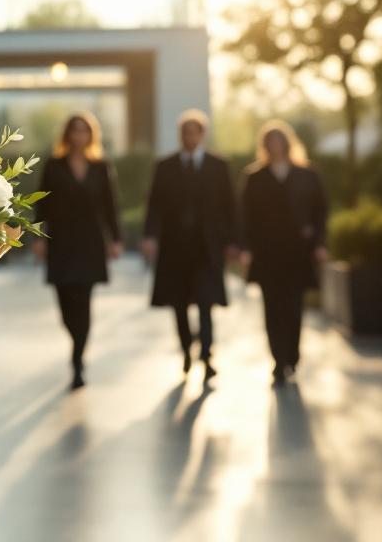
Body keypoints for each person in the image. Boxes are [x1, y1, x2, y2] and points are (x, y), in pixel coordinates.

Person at [141, 109, 237, 379]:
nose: (189, 137)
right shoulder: (165, 166)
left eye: (194, 132)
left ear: (202, 134)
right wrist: (150, 236)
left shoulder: (218, 166)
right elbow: (155, 205)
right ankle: (185, 348)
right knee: (179, 302)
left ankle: (206, 355)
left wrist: (232, 242)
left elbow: (231, 206)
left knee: (206, 302)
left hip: (207, 248)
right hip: (175, 248)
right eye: (185, 132)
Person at [32, 113, 122, 390]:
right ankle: (77, 343)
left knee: (83, 302)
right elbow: (41, 204)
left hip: (91, 243)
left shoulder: (100, 166)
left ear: (91, 135)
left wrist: (115, 239)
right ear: (68, 135)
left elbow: (110, 205)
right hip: (61, 241)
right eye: (75, 130)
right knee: (65, 305)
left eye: (84, 131)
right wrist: (38, 237)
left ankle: (78, 361)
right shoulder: (53, 165)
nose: (79, 136)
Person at [240, 120, 329, 386]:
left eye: (279, 141)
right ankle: (278, 359)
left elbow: (320, 211)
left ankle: (292, 353)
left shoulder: (307, 175)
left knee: (294, 305)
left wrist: (320, 244)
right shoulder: (255, 178)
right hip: (267, 253)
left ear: (287, 143)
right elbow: (244, 216)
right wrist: (245, 248)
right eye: (270, 142)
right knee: (272, 306)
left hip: (297, 252)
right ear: (264, 146)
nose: (275, 146)